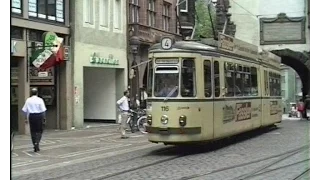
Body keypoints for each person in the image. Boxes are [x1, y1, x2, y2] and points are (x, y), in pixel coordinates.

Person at [22, 88, 47, 152]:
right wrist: (44, 119)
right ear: (37, 93)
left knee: (33, 131)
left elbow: (24, 110)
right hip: (39, 116)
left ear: (31, 93)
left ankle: (34, 143)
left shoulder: (28, 100)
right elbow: (43, 110)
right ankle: (37, 142)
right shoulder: (40, 100)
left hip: (32, 116)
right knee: (39, 131)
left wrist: (25, 118)